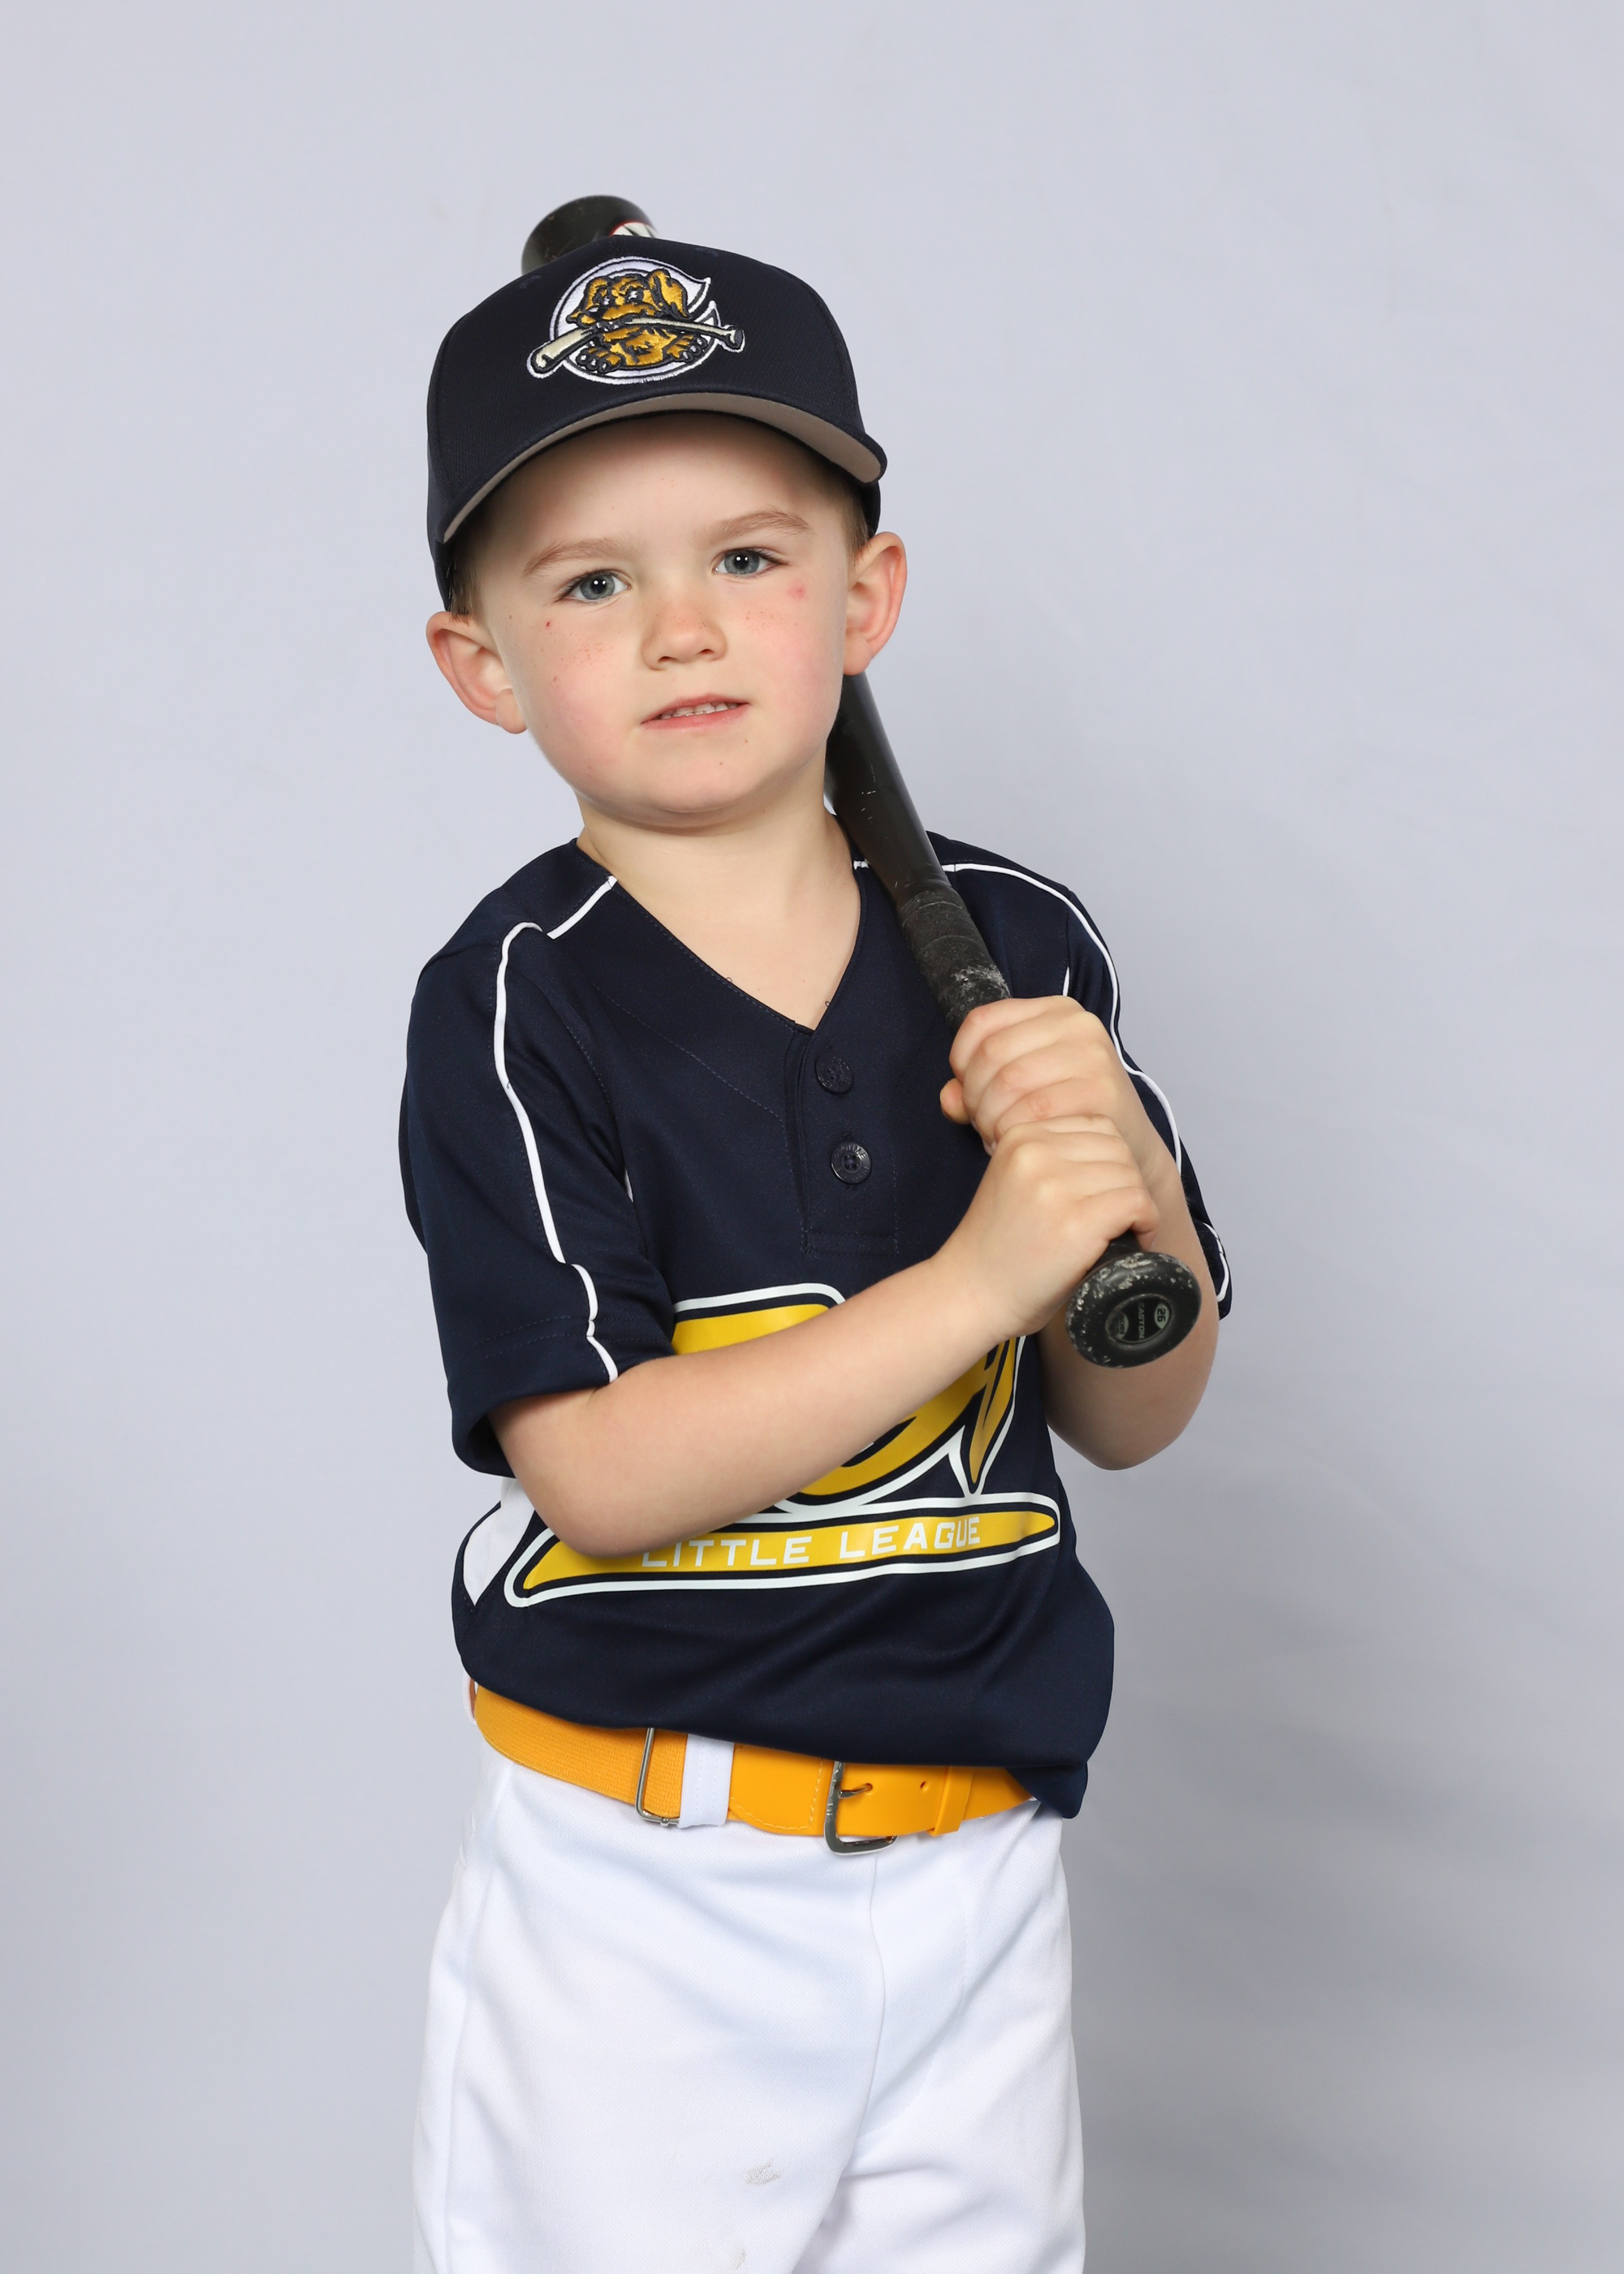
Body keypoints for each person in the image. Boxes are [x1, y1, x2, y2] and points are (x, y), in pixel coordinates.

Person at [403, 225, 1230, 2274]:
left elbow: (1135, 1409)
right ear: (483, 664)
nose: (683, 625)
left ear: (863, 598)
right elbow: (599, 1474)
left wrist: (1119, 1170)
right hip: (654, 1886)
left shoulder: (1016, 945)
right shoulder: (520, 1000)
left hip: (978, 1869)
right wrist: (977, 1278)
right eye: (593, 582)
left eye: (749, 557)